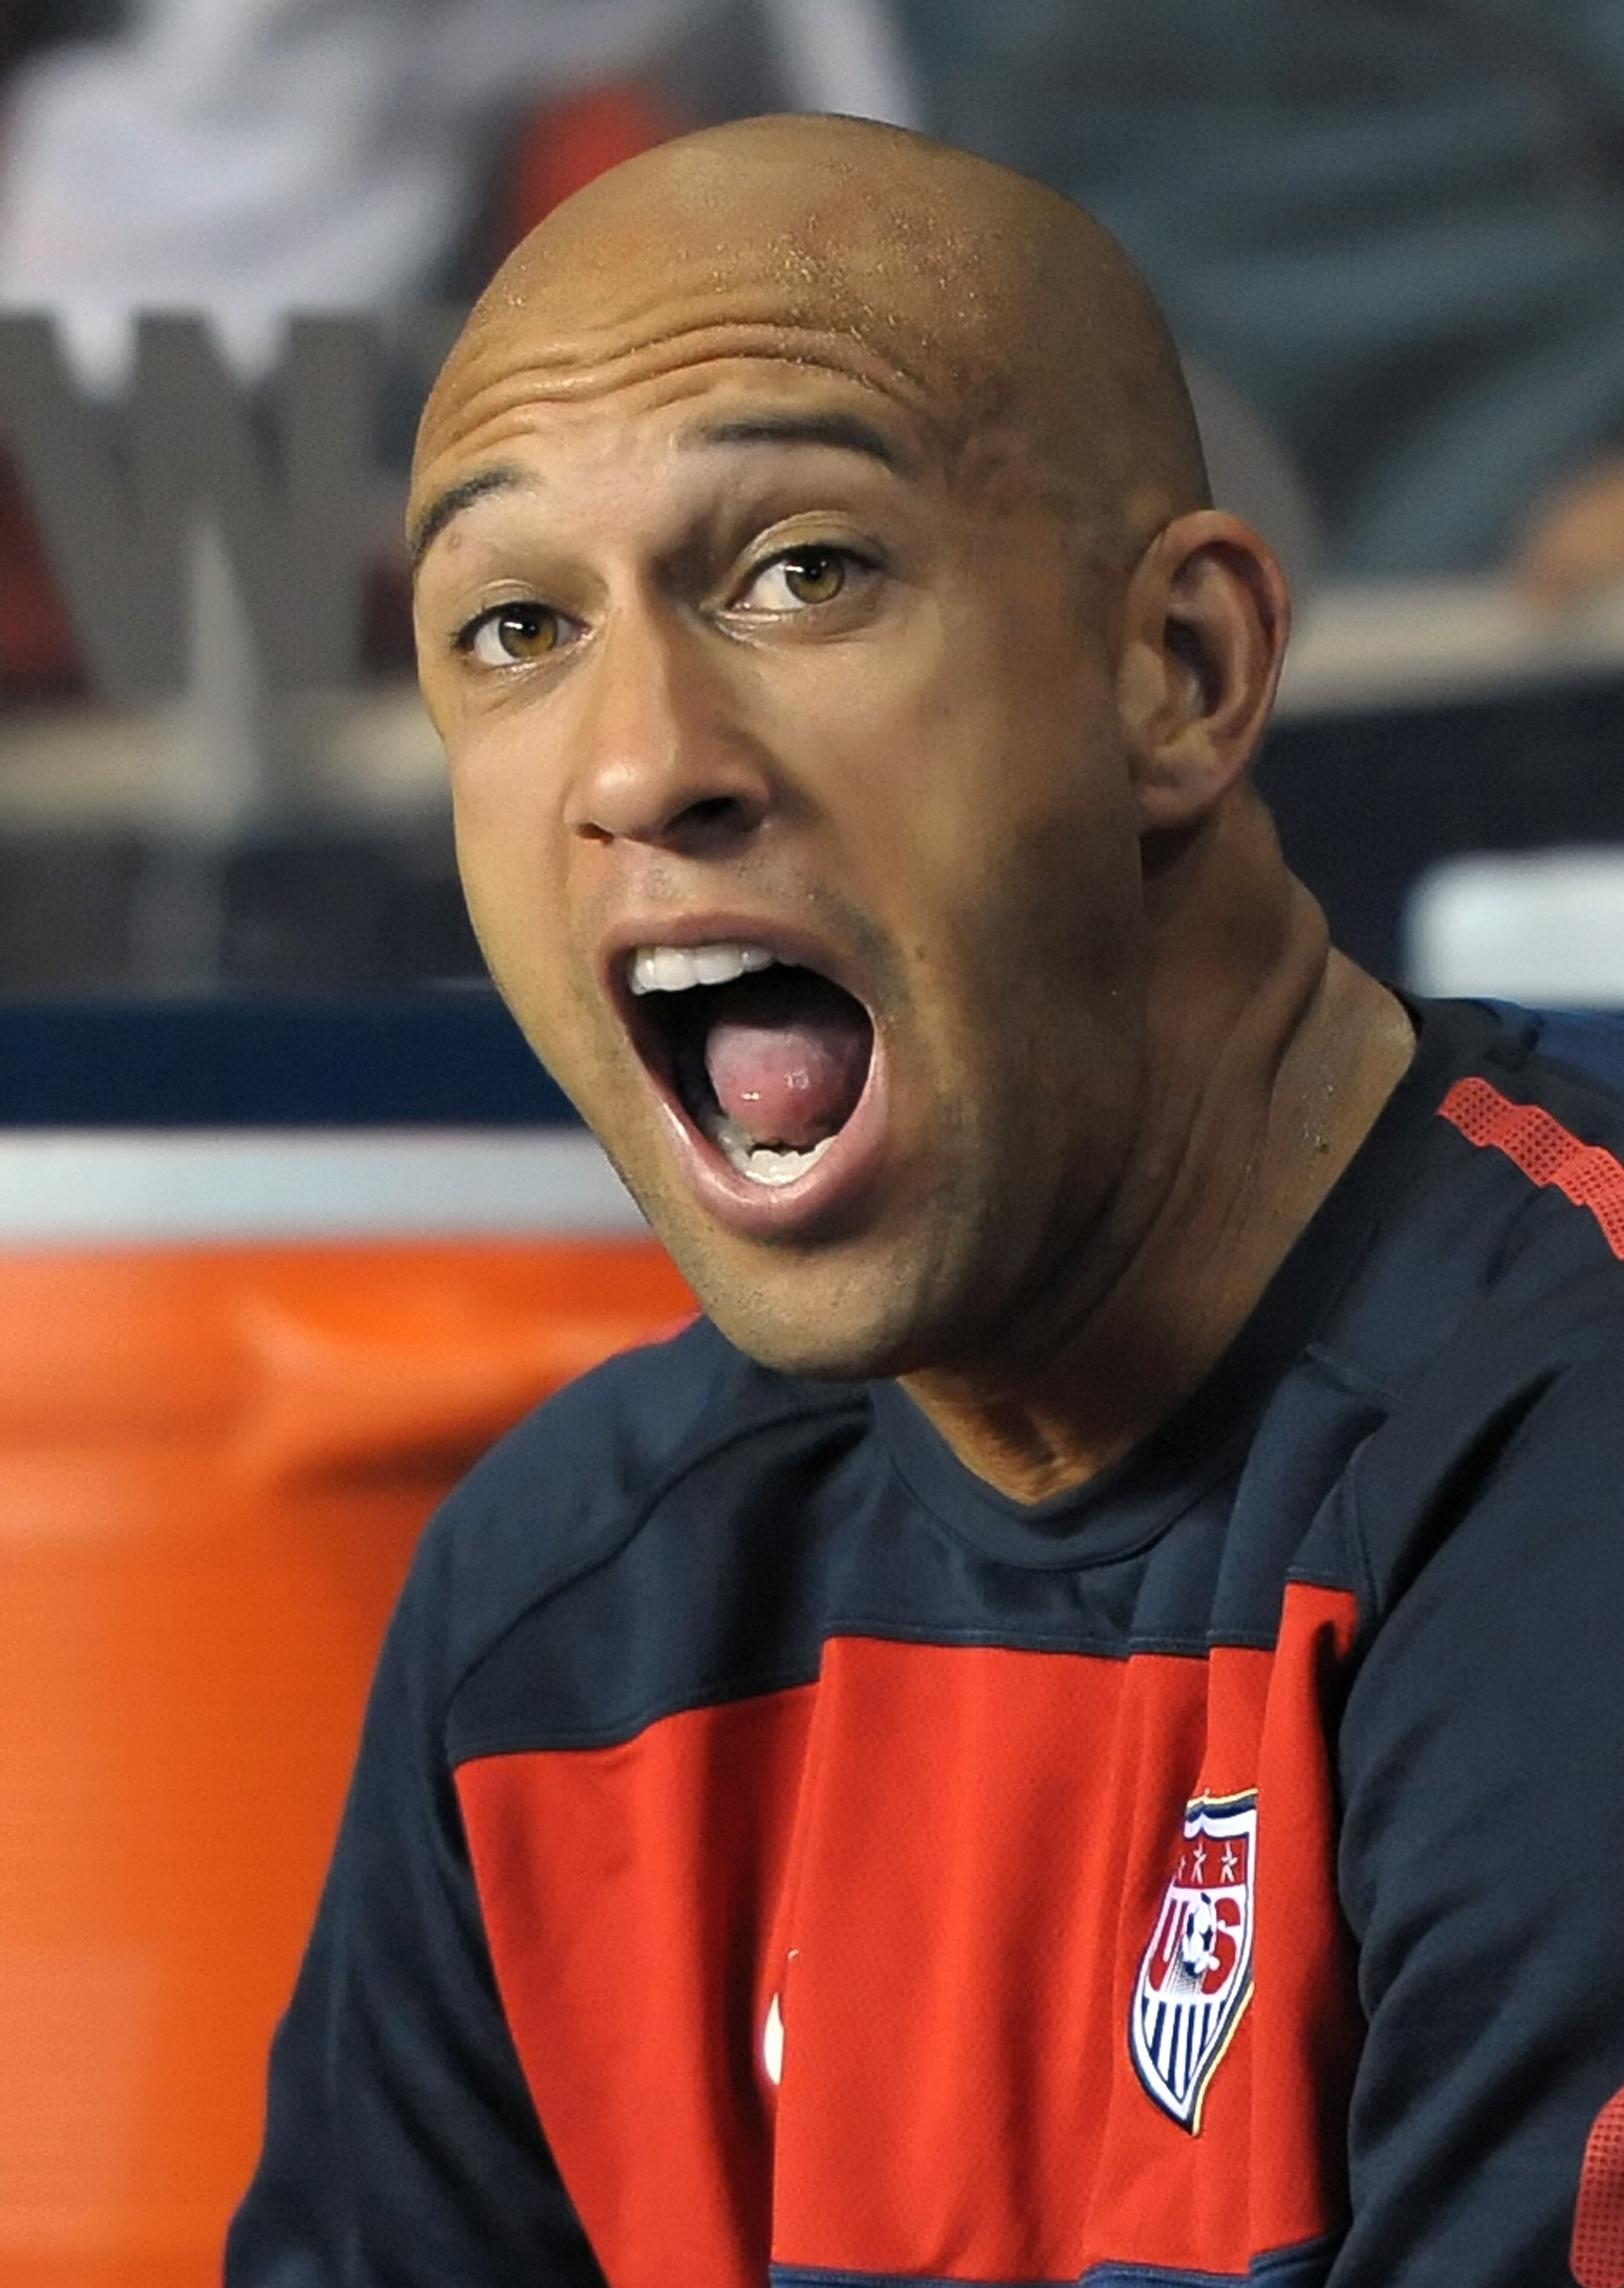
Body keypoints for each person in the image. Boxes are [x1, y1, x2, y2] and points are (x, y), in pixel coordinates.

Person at [228, 115, 1624, 2286]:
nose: (641, 761)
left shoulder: (1564, 1467)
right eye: (514, 625)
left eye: (804, 571)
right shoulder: (566, 1607)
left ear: (1179, 674)